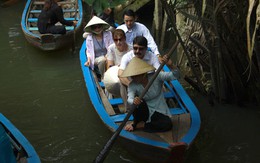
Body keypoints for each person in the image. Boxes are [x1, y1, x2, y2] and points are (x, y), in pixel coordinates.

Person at [120, 57, 180, 132]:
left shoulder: (156, 76)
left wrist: (171, 65)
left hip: (158, 109)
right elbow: (129, 99)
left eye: (136, 75)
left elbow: (175, 75)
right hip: (143, 111)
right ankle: (139, 123)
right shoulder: (132, 85)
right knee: (139, 101)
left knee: (167, 124)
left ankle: (140, 125)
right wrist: (134, 101)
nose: (133, 78)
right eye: (132, 76)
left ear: (143, 73)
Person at [103, 29, 132, 111]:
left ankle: (128, 106)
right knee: (114, 81)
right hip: (115, 72)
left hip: (129, 72)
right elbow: (110, 66)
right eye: (116, 40)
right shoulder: (111, 48)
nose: (118, 42)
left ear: (124, 39)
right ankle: (110, 105)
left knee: (122, 81)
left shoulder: (131, 49)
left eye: (120, 39)